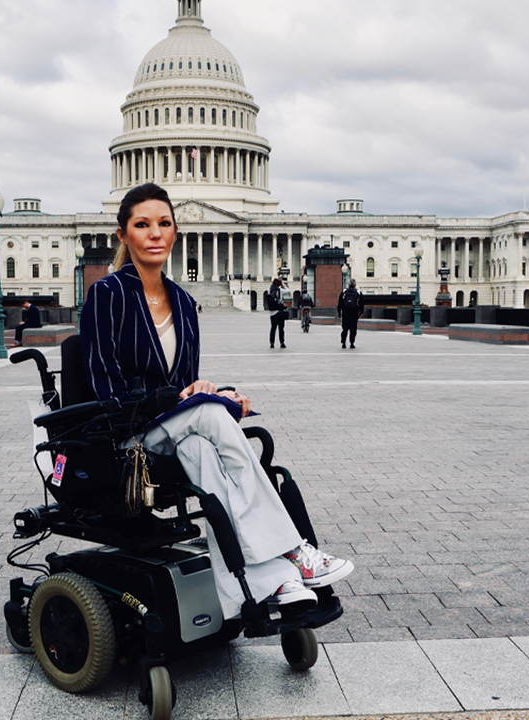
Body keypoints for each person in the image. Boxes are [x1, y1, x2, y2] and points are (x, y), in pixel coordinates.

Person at [79, 183, 353, 619]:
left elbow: (184, 383)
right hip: (128, 435)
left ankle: (267, 586)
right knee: (207, 415)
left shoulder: (186, 304)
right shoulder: (106, 295)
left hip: (175, 433)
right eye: (142, 224)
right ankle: (293, 548)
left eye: (164, 224)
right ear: (123, 235)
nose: (155, 234)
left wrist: (211, 390)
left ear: (175, 232)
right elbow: (105, 385)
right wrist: (180, 400)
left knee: (203, 451)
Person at [338, 279, 364, 349]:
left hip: (345, 312)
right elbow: (361, 303)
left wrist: (339, 311)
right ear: (355, 285)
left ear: (349, 285)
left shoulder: (344, 291)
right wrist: (361, 312)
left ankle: (343, 343)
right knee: (353, 328)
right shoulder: (358, 292)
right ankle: (352, 343)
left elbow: (340, 301)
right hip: (354, 312)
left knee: (345, 328)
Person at [266, 278, 287, 349]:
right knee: (281, 329)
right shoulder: (280, 290)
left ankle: (272, 343)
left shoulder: (269, 290)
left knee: (273, 328)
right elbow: (288, 291)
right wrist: (283, 284)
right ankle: (282, 342)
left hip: (272, 313)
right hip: (279, 312)